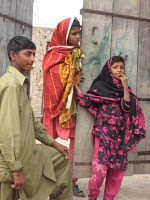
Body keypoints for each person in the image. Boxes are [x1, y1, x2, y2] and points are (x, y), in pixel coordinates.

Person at [0, 36, 73, 200]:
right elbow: (8, 133)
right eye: (28, 54)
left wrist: (53, 143)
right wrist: (17, 169)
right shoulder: (10, 85)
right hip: (10, 162)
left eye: (34, 54)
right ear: (13, 55)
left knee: (61, 159)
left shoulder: (20, 83)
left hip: (29, 154)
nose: (33, 59)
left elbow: (32, 123)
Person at [74, 56, 146, 200]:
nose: (119, 70)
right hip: (103, 135)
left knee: (117, 173)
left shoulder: (127, 90)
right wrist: (75, 86)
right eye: (115, 67)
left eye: (121, 67)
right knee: (99, 170)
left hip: (120, 138)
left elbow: (127, 107)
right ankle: (93, 196)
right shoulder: (100, 87)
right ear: (109, 69)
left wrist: (125, 86)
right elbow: (86, 101)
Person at [42, 17, 85, 197]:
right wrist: (71, 76)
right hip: (55, 106)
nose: (78, 37)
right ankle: (46, 178)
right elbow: (52, 77)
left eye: (79, 33)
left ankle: (71, 180)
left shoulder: (78, 52)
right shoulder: (53, 54)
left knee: (75, 143)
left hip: (72, 106)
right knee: (48, 142)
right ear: (64, 34)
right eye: (74, 33)